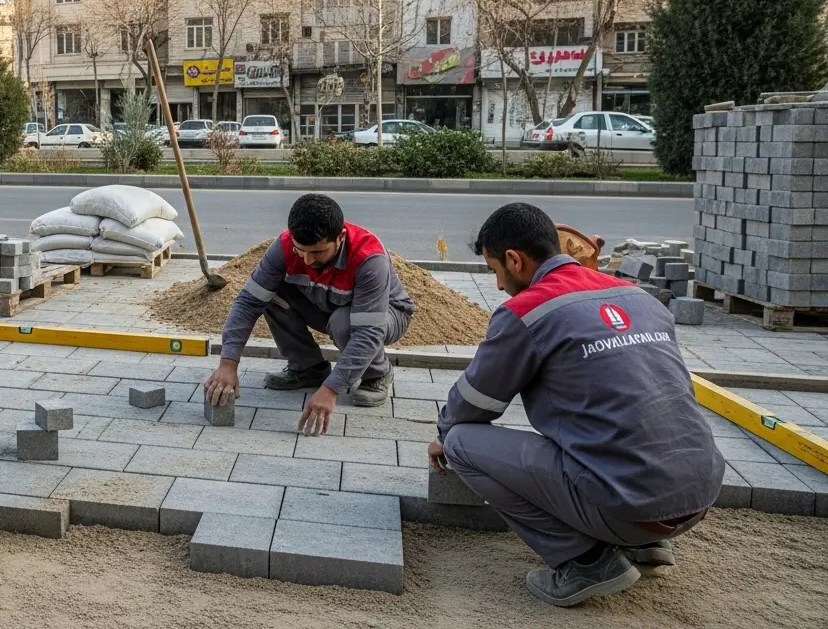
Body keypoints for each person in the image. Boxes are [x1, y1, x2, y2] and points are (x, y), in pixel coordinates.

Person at [428, 202, 724, 607]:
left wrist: (442, 433)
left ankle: (585, 561)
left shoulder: (526, 311)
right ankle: (646, 545)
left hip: (631, 507)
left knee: (462, 441)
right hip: (699, 493)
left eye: (495, 270)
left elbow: (475, 401)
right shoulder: (638, 296)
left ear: (514, 260)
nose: (497, 284)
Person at [204, 194, 415, 436]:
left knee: (344, 323)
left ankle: (377, 373)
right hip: (327, 302)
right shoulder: (283, 247)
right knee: (269, 295)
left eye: (317, 252)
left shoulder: (368, 258)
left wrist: (331, 390)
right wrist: (228, 363)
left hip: (386, 315)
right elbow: (248, 302)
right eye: (300, 250)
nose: (306, 259)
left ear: (340, 237)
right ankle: (308, 368)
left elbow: (368, 332)